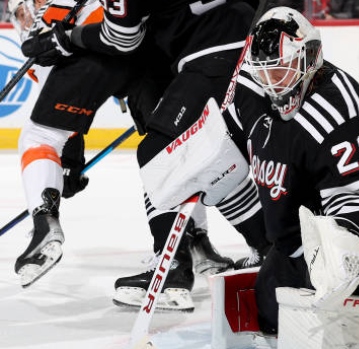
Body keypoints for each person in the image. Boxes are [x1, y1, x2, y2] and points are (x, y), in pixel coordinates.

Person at [11, 0, 269, 312]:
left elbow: (120, 38)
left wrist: (63, 38)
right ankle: (249, 246)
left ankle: (170, 269)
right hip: (228, 48)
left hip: (208, 49)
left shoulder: (68, 15)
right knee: (198, 155)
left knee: (158, 154)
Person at [221, 7, 359, 334]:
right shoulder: (255, 92)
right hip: (291, 250)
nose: (273, 84)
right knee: (268, 315)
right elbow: (229, 131)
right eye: (264, 73)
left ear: (310, 56)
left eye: (281, 71)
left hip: (342, 259)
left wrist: (340, 257)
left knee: (330, 334)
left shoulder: (339, 115)